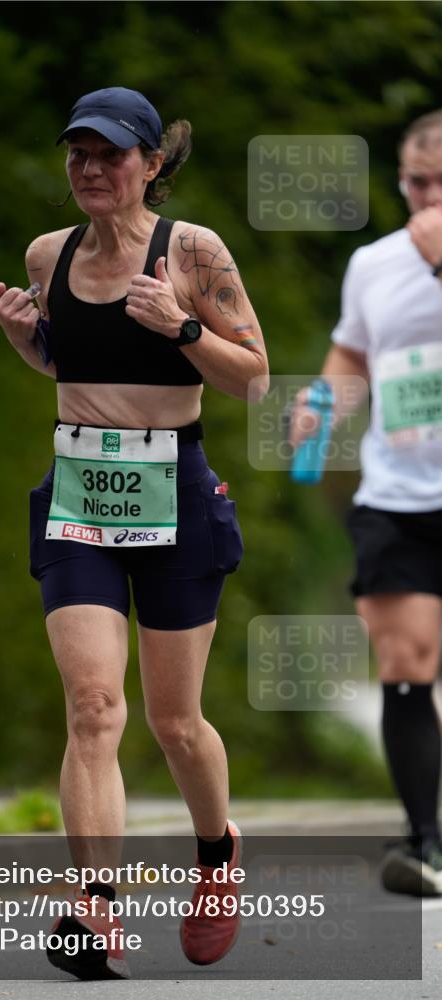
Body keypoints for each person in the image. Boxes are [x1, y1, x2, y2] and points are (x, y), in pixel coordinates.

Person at [0, 87, 268, 978]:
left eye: (110, 154)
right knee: (92, 706)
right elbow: (72, 364)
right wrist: (24, 340)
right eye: (78, 153)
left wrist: (181, 326)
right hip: (80, 495)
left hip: (173, 494)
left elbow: (253, 379)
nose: (90, 169)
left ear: (151, 164)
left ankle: (216, 854)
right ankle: (96, 909)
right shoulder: (47, 254)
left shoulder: (191, 252)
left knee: (174, 721)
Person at [289, 109, 442, 895]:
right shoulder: (372, 264)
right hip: (397, 492)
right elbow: (351, 352)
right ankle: (426, 843)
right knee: (404, 659)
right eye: (416, 183)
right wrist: (322, 402)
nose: (428, 200)